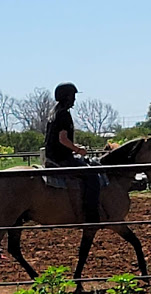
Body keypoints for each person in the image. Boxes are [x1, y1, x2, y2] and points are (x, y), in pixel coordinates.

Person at [44, 82, 100, 223]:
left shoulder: (54, 114)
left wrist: (74, 146)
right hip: (61, 158)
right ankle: (90, 213)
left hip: (53, 155)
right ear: (67, 97)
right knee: (92, 176)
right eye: (73, 96)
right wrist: (78, 150)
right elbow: (63, 139)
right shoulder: (64, 115)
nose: (74, 99)